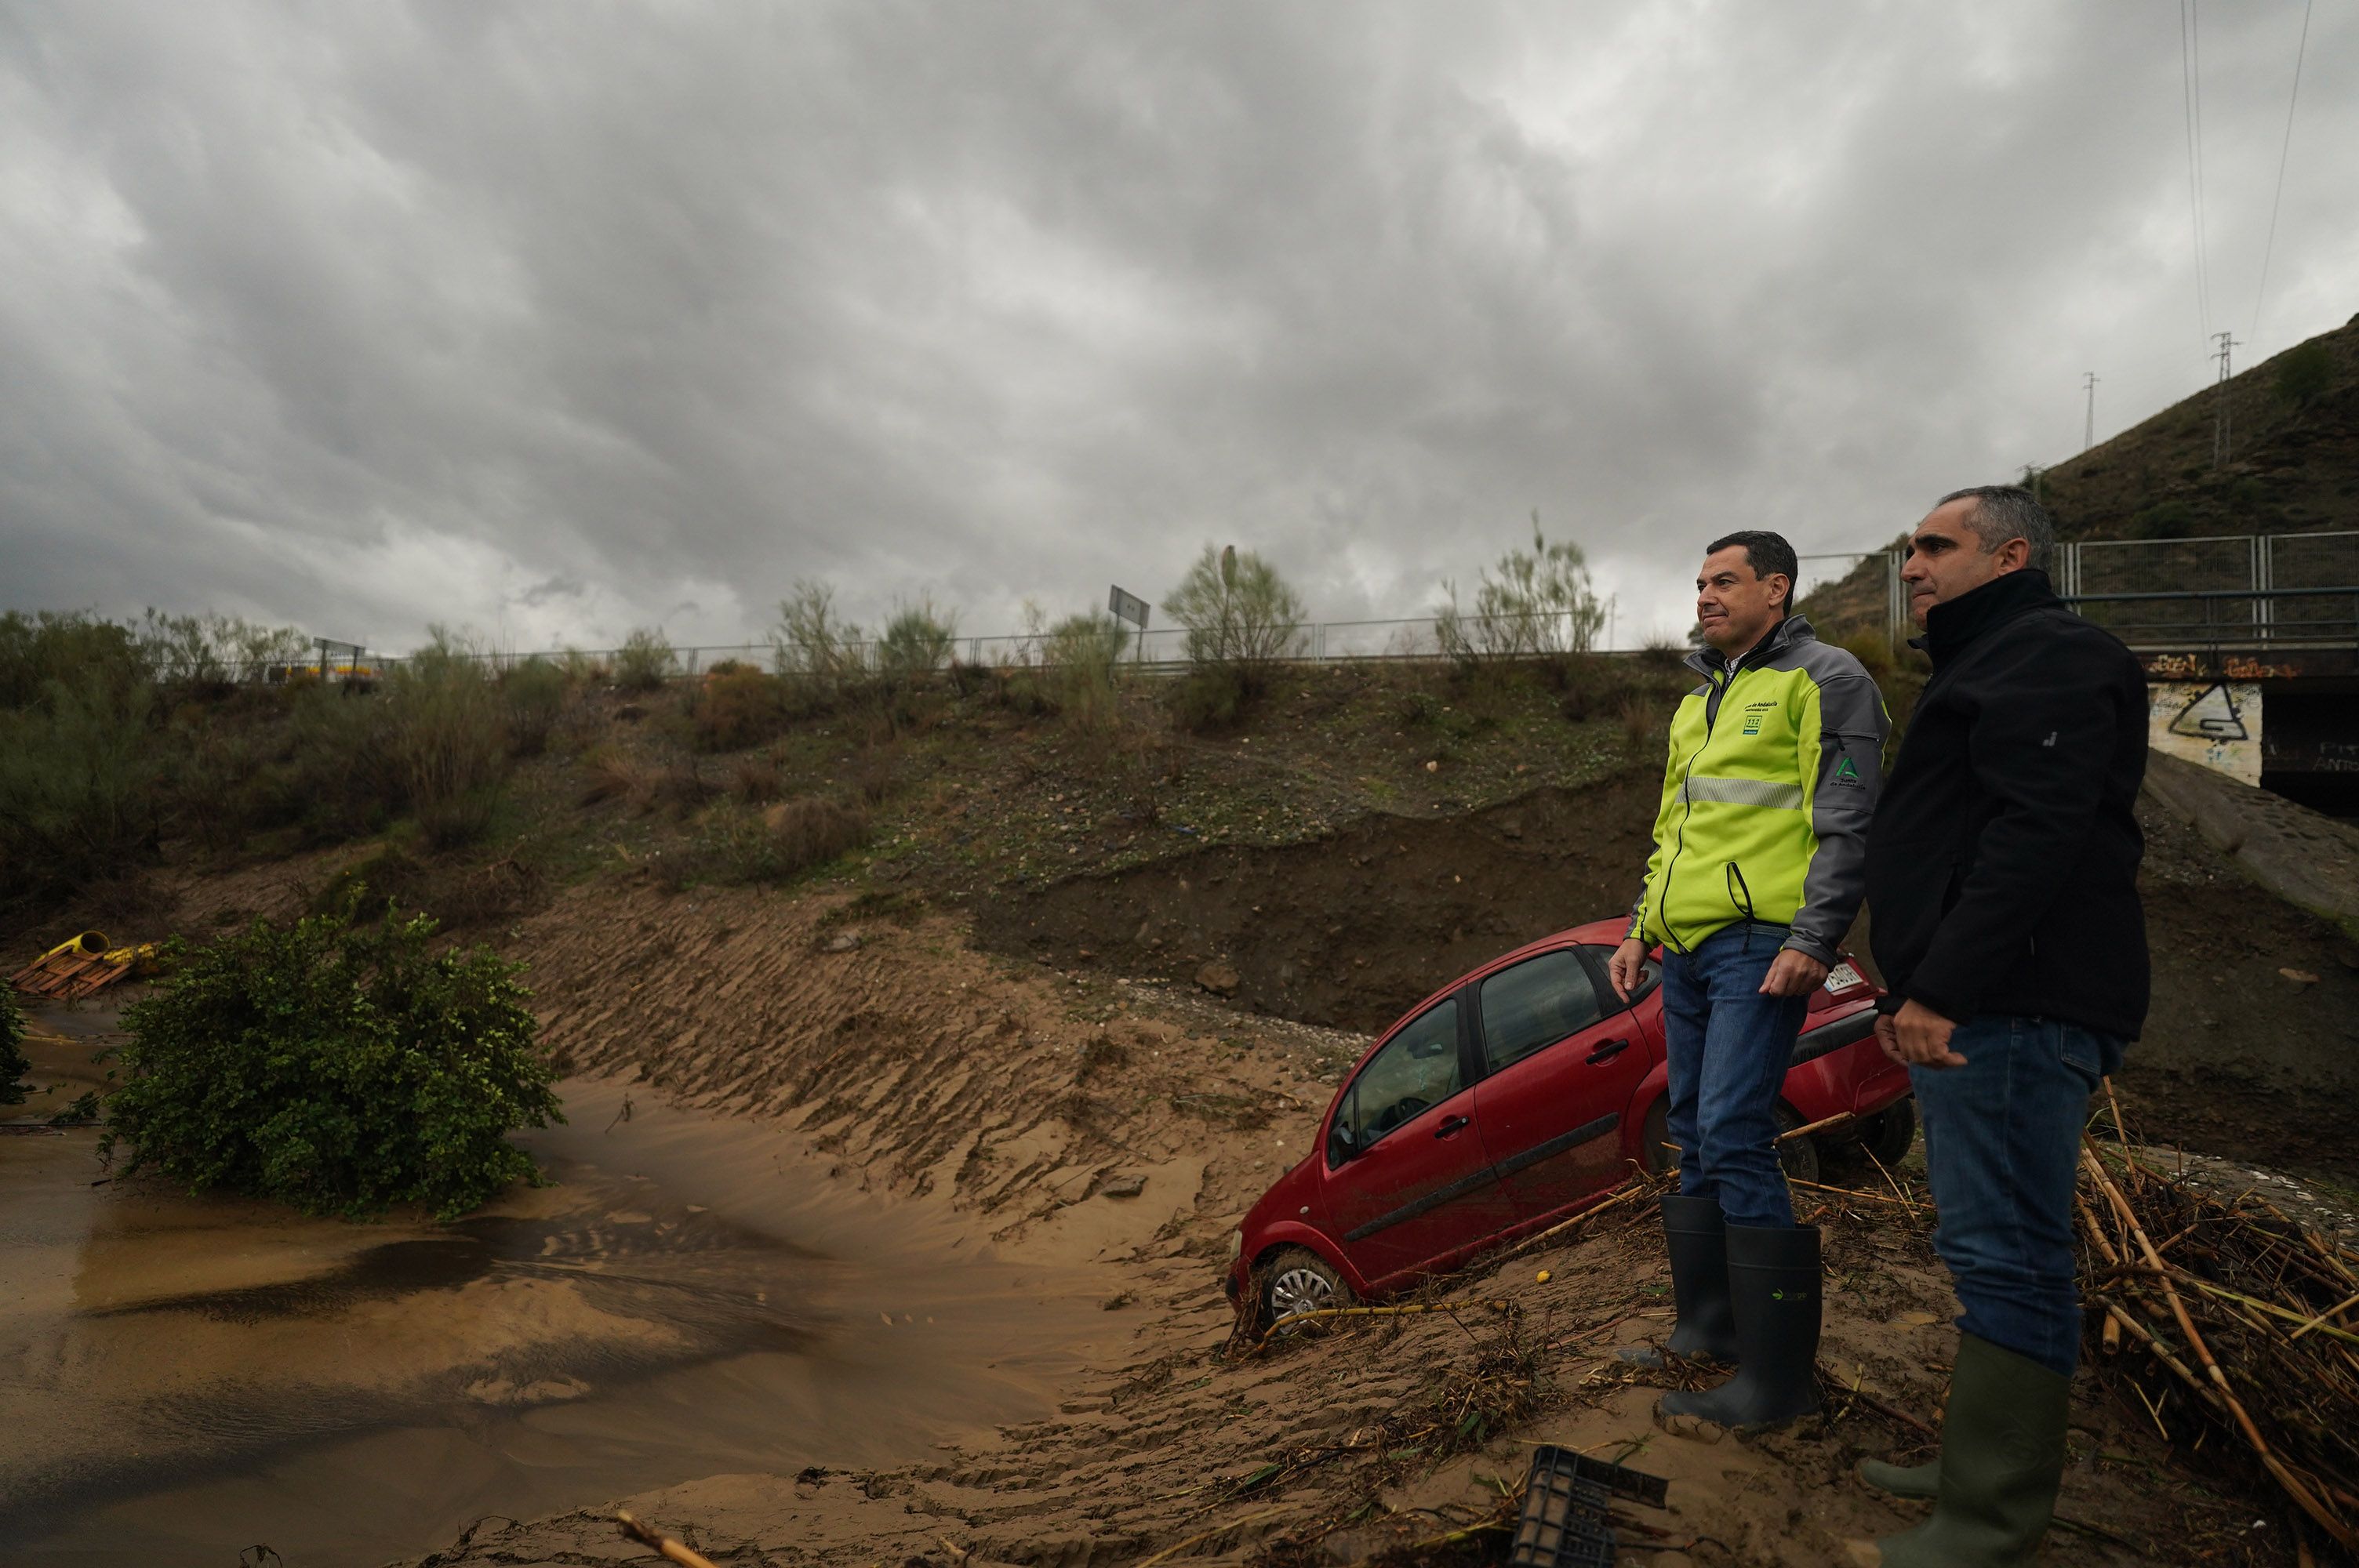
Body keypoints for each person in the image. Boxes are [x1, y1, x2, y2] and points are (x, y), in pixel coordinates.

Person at [1848, 487, 2149, 1567]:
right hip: (1985, 999)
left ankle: (1992, 1517)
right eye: (1910, 550)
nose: (1912, 567)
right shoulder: (1988, 663)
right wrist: (1907, 986)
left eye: (1935, 547)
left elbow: (2037, 836)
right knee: (1984, 1246)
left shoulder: (2050, 655)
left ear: (2010, 554)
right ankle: (1971, 1465)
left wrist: (1943, 990)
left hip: (2014, 1006)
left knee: (2012, 1252)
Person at [1608, 530, 1888, 1432]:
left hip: (1760, 943)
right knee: (1690, 1127)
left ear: (1776, 588)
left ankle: (1776, 1385)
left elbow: (1848, 820)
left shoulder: (1827, 679)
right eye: (1697, 582)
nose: (1703, 595)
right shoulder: (1696, 704)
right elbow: (1669, 832)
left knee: (1732, 1130)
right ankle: (1707, 1329)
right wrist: (1637, 930)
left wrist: (1816, 934)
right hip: (1685, 950)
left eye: (1723, 580)